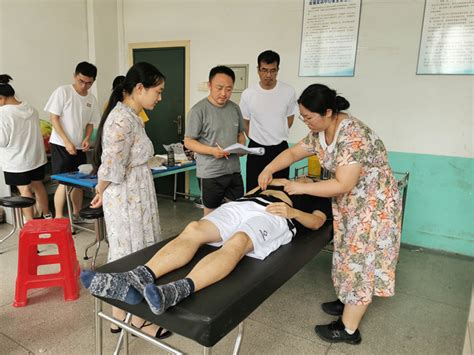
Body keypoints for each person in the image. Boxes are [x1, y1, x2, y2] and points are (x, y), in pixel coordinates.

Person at [258, 84, 402, 345]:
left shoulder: (352, 135)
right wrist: (269, 168)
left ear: (328, 112)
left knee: (360, 260)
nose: (306, 123)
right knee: (346, 252)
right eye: (302, 118)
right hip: (351, 204)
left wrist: (299, 186)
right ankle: (347, 300)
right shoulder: (320, 131)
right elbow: (292, 153)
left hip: (372, 207)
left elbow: (343, 184)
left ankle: (348, 329)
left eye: (309, 118)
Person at [80, 179, 332, 316]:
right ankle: (136, 278)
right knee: (193, 228)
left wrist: (293, 211)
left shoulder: (315, 194)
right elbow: (253, 190)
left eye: (309, 177)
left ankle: (177, 291)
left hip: (277, 215)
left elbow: (317, 221)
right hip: (242, 205)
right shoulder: (279, 179)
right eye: (302, 175)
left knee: (238, 241)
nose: (304, 177)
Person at [90, 62, 169, 339]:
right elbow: (111, 163)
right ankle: (134, 319)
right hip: (126, 197)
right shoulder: (122, 118)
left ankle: (121, 316)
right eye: (157, 91)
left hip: (135, 192)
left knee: (132, 251)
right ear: (139, 89)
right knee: (130, 254)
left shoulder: (132, 115)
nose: (160, 97)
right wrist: (100, 190)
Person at [184, 66, 246, 216]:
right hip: (210, 174)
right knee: (211, 216)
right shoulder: (198, 110)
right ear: (209, 85)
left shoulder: (235, 108)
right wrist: (212, 151)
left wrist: (242, 147)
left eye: (229, 89)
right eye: (219, 88)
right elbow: (188, 141)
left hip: (233, 170)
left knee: (237, 213)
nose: (224, 93)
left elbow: (241, 135)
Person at [44, 61, 100, 221]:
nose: (84, 86)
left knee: (79, 181)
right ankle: (60, 218)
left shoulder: (91, 99)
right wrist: (67, 142)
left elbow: (90, 123)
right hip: (61, 144)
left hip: (78, 146)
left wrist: (87, 138)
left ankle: (76, 214)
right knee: (63, 181)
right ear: (75, 76)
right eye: (81, 81)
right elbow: (54, 119)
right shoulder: (63, 92)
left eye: (89, 83)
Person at [239, 50, 298, 191]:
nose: (268, 75)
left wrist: (275, 134)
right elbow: (245, 122)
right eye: (264, 70)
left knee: (279, 192)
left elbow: (289, 119)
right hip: (256, 149)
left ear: (278, 70)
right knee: (254, 190)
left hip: (280, 149)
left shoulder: (288, 91)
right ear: (258, 70)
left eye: (273, 71)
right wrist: (257, 138)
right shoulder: (248, 94)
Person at [0, 75, 51, 220]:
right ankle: (47, 215)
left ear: (1, 97)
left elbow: (2, 141)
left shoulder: (3, 113)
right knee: (38, 186)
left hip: (16, 160)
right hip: (36, 157)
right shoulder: (30, 108)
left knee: (24, 190)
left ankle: (30, 222)